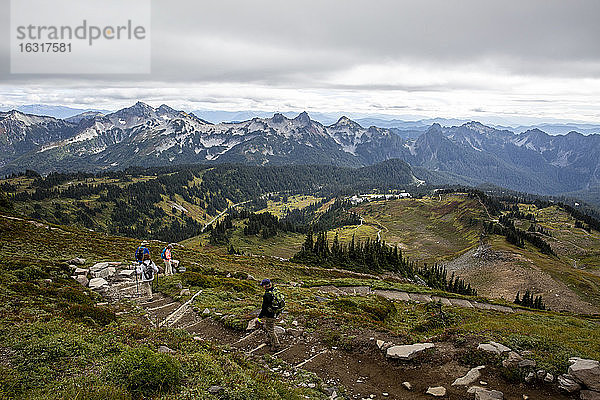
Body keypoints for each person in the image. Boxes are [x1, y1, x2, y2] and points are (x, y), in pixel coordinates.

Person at [257, 278, 284, 350]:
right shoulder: (275, 290)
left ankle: (276, 344)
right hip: (276, 312)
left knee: (270, 329)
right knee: (269, 327)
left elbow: (264, 308)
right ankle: (269, 340)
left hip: (270, 314)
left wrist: (260, 316)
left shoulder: (267, 295)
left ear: (265, 286)